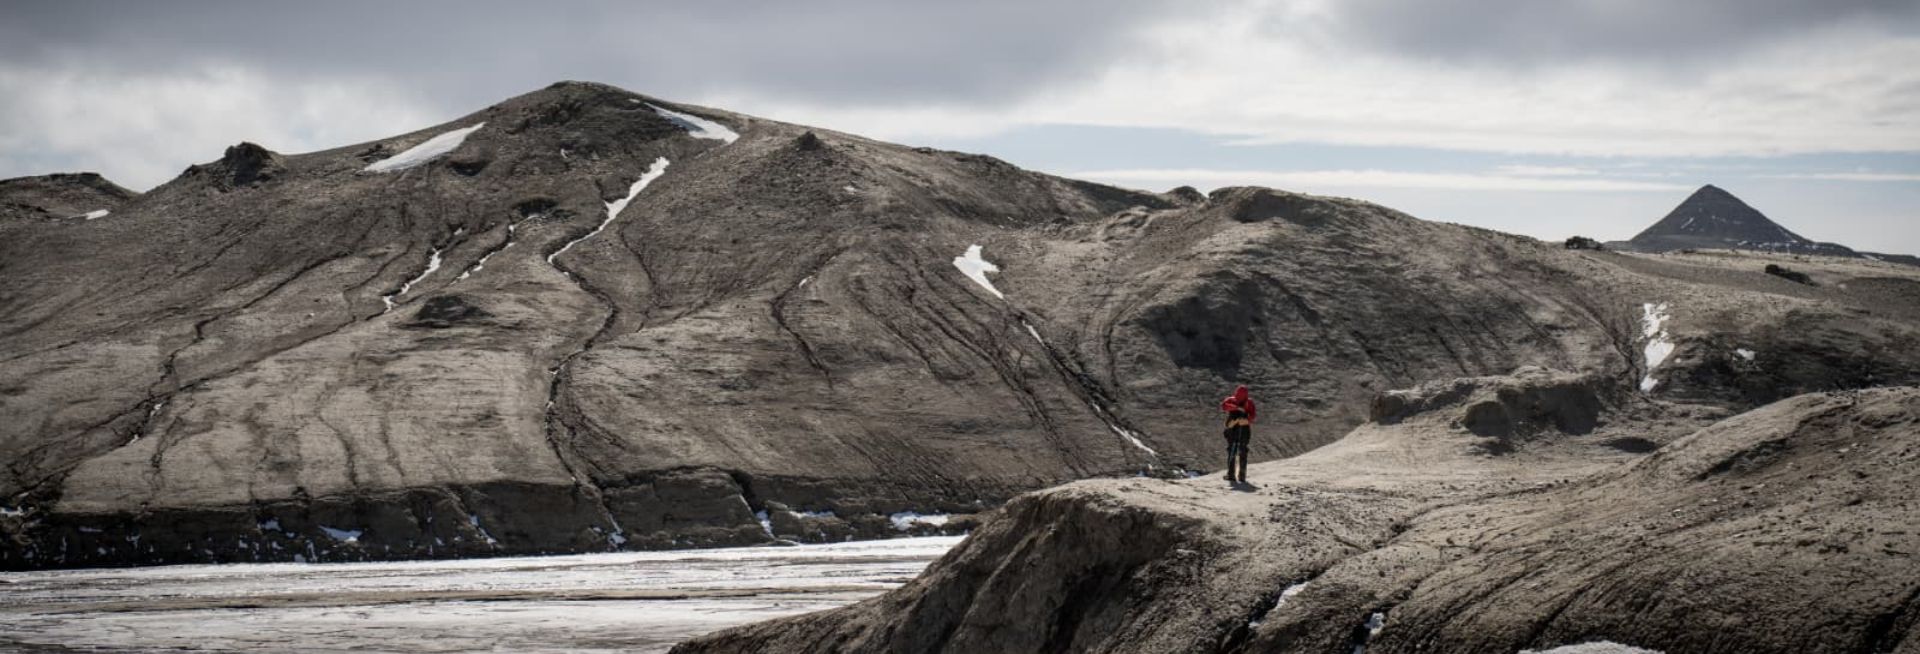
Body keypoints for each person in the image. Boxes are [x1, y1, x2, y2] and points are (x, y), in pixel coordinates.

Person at [1220, 385, 1256, 484]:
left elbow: (1224, 406)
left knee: (1232, 450)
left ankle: (1231, 475)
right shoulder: (1249, 402)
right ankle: (1242, 476)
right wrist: (1245, 417)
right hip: (1243, 429)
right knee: (1242, 451)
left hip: (1233, 428)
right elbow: (1252, 416)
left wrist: (1236, 409)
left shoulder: (1232, 400)